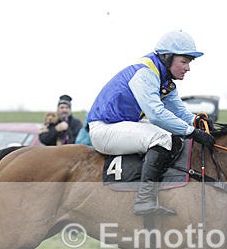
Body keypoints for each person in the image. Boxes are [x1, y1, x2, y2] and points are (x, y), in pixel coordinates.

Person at [87, 30, 214, 216]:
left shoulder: (164, 78)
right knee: (162, 138)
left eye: (189, 62)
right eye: (184, 61)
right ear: (167, 57)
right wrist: (192, 132)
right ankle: (144, 200)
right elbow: (156, 115)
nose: (188, 68)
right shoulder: (146, 73)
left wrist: (196, 121)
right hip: (104, 129)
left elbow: (179, 111)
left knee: (173, 138)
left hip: (120, 125)